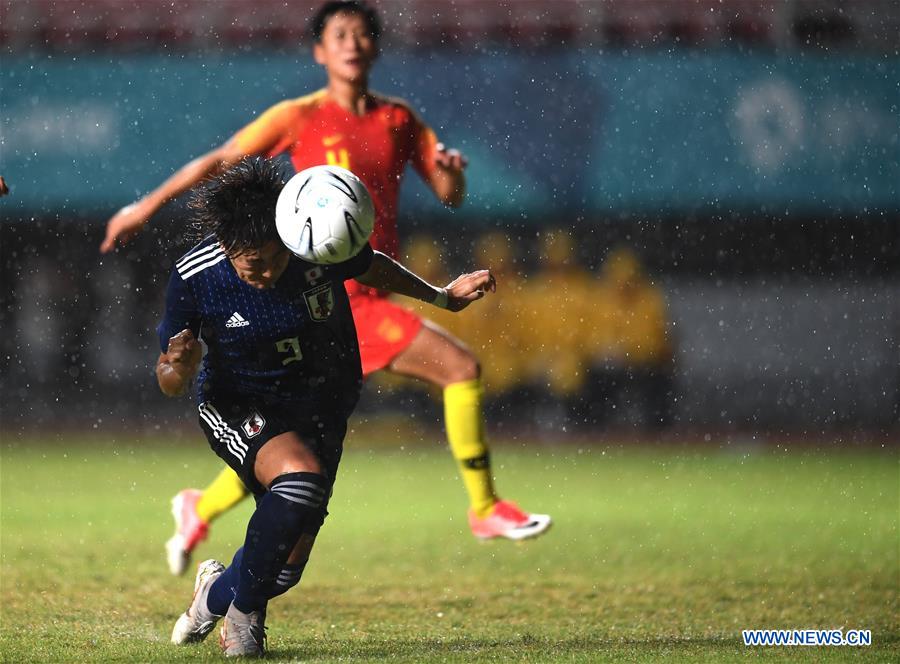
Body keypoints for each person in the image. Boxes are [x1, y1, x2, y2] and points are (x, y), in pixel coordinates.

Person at [103, 0, 550, 576]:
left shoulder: (399, 119)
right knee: (458, 368)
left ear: (376, 46)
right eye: (339, 34)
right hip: (330, 291)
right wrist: (145, 207)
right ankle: (484, 508)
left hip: (366, 281)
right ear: (319, 50)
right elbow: (222, 162)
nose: (352, 43)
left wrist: (453, 172)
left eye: (362, 34)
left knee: (299, 434)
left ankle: (201, 507)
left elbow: (449, 194)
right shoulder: (300, 114)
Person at [161, 157, 497, 657]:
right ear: (227, 249)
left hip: (321, 401)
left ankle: (213, 595)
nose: (266, 272)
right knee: (301, 480)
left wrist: (442, 297)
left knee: (284, 569)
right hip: (239, 402)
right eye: (251, 263)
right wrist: (180, 367)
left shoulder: (310, 242)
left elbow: (371, 263)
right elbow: (168, 380)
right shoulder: (195, 275)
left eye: (273, 259)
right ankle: (243, 618)